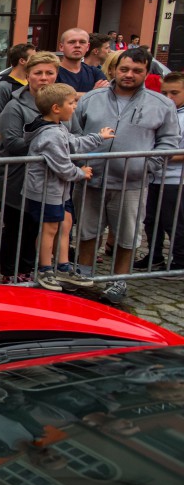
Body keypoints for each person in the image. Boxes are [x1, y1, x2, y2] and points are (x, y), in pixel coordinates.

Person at [72, 48, 181, 303]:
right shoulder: (91, 99)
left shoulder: (161, 104)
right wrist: (80, 164)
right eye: (124, 69)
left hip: (132, 183)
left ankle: (119, 281)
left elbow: (169, 143)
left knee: (127, 235)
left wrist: (147, 166)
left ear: (146, 73)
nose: (129, 75)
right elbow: (74, 134)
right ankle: (84, 274)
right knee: (87, 231)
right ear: (114, 69)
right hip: (91, 180)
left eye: (136, 71)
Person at [23, 83, 114, 290]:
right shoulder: (51, 135)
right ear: (56, 108)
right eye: (72, 103)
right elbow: (63, 166)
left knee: (65, 223)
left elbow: (74, 143)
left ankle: (63, 267)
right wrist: (81, 173)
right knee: (50, 228)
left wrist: (99, 137)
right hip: (46, 191)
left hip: (58, 190)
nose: (75, 107)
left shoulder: (58, 128)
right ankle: (45, 269)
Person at [0, 52, 60, 282]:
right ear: (28, 75)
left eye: (49, 73)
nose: (44, 78)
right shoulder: (15, 107)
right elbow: (13, 143)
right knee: (16, 228)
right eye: (38, 73)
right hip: (17, 180)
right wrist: (49, 142)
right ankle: (11, 273)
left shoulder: (61, 104)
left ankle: (33, 269)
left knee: (38, 228)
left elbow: (73, 137)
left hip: (49, 181)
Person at [136, 72, 184, 273]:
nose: (169, 98)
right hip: (154, 176)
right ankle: (154, 256)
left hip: (175, 178)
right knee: (151, 219)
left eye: (175, 93)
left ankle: (180, 260)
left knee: (173, 222)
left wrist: (162, 156)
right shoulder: (162, 111)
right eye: (165, 93)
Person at [57, 28, 109, 97]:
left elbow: (104, 96)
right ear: (61, 47)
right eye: (72, 42)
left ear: (87, 47)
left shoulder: (95, 72)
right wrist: (92, 94)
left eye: (82, 42)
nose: (77, 46)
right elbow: (55, 97)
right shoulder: (52, 72)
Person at [0, 43, 36, 112]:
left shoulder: (31, 82)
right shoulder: (3, 87)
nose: (37, 61)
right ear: (22, 61)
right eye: (33, 58)